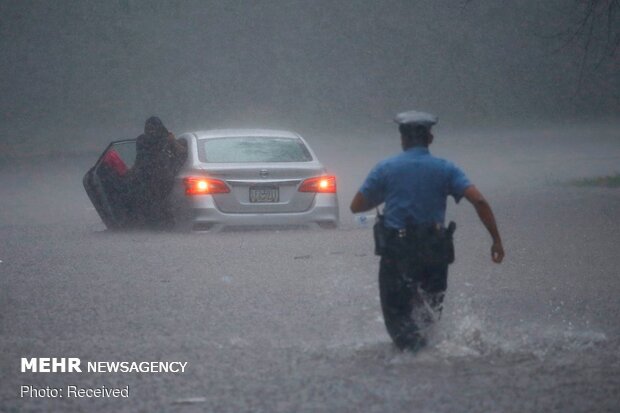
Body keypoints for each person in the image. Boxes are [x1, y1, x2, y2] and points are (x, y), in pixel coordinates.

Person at [350, 110, 504, 351]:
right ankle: (430, 363)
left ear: (402, 140)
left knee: (398, 322)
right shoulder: (447, 169)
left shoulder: (385, 168)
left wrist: (386, 194)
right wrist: (496, 241)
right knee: (429, 318)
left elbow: (356, 206)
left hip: (397, 253)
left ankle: (408, 368)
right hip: (435, 252)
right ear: (429, 139)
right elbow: (480, 202)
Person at [129, 116, 187, 229]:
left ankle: (161, 226)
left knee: (160, 204)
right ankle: (155, 225)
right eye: (149, 128)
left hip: (161, 179)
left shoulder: (165, 139)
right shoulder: (142, 140)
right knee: (151, 204)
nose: (151, 131)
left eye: (153, 128)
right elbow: (139, 159)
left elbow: (182, 153)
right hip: (148, 178)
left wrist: (173, 141)